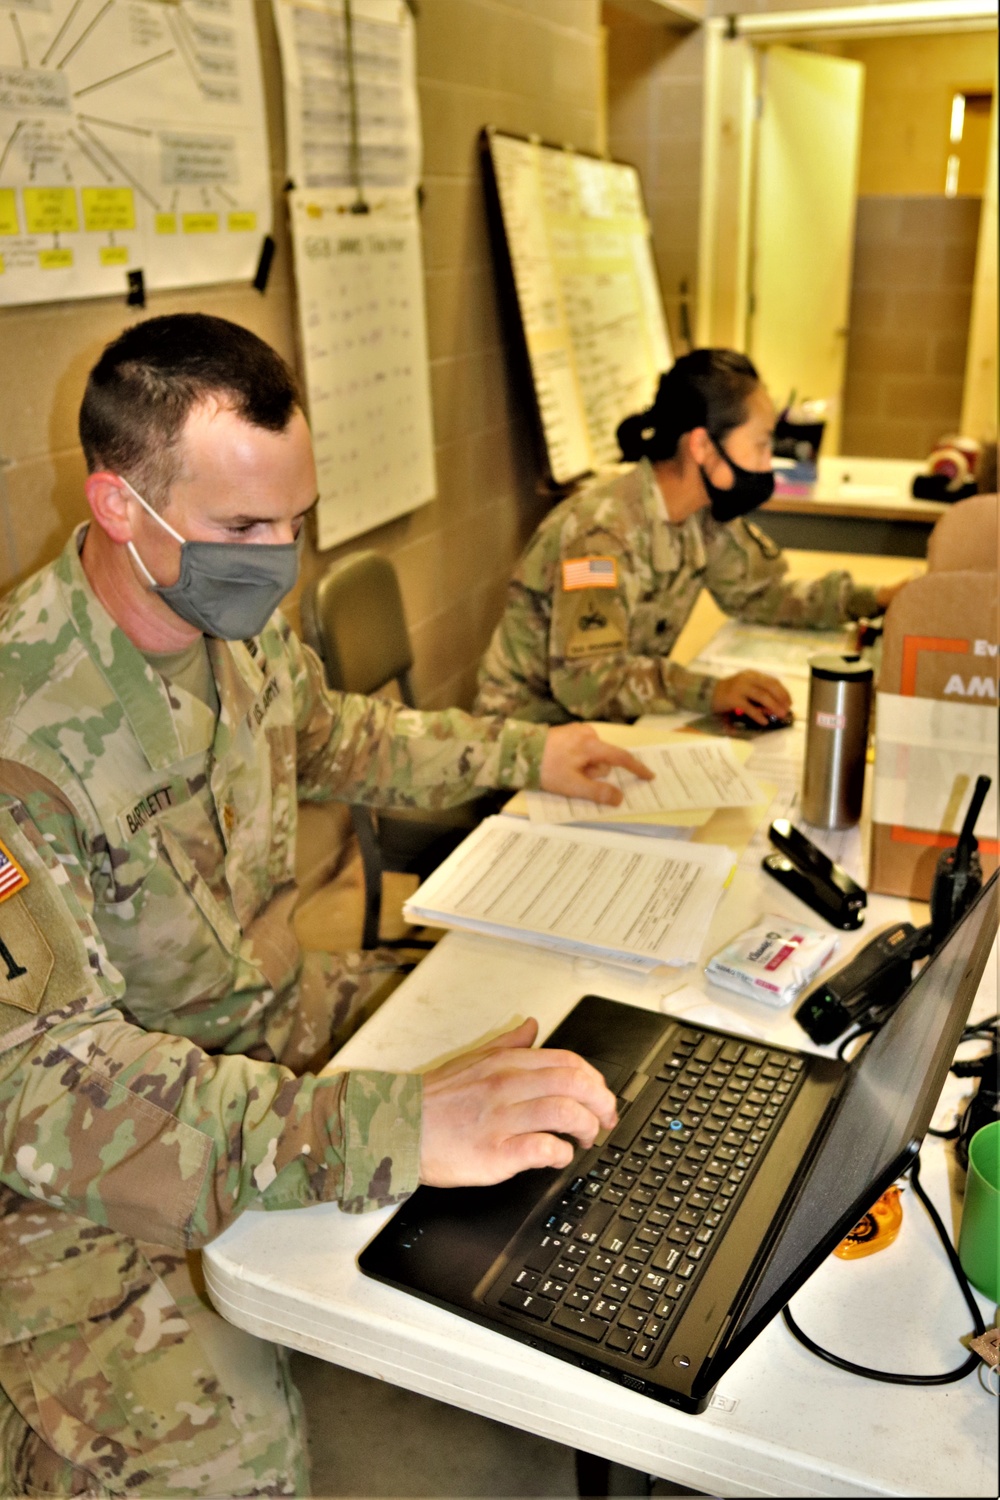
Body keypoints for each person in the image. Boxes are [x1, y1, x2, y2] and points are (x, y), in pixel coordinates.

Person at [0, 314, 649, 1497]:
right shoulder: (21, 731)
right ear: (115, 508)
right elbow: (46, 1090)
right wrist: (387, 1130)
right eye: (244, 528)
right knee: (235, 1466)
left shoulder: (228, 627)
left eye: (293, 520)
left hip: (262, 1025)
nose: (280, 554)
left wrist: (528, 753)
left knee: (552, 1023)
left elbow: (339, 734)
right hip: (76, 1181)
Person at [475, 349, 905, 726]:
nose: (766, 462)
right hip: (531, 742)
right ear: (701, 446)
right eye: (759, 445)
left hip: (607, 727)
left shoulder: (700, 512)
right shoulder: (599, 534)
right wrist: (711, 692)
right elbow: (589, 682)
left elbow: (759, 594)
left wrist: (875, 598)